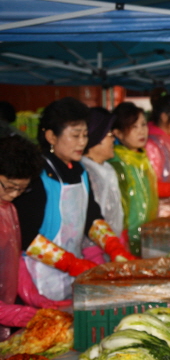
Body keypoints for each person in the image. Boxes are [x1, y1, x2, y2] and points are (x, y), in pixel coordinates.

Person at [13, 98, 134, 302]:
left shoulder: (79, 170)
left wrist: (114, 247)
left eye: (85, 135)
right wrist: (71, 263)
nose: (82, 142)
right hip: (38, 278)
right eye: (75, 135)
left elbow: (91, 217)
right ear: (51, 136)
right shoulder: (36, 173)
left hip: (72, 274)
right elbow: (26, 235)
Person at [0, 135, 68, 341]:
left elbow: (13, 259)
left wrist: (34, 297)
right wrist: (9, 313)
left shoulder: (9, 210)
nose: (13, 195)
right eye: (9, 186)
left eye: (21, 190)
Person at [109, 102, 158, 256]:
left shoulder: (142, 157)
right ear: (118, 133)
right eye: (133, 127)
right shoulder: (115, 162)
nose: (141, 131)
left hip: (148, 235)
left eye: (143, 125)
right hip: (126, 241)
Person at [80, 107, 126, 264]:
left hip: (113, 246)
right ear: (95, 137)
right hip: (94, 253)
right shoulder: (87, 172)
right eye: (109, 135)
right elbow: (88, 219)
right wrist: (93, 255)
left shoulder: (106, 168)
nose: (113, 139)